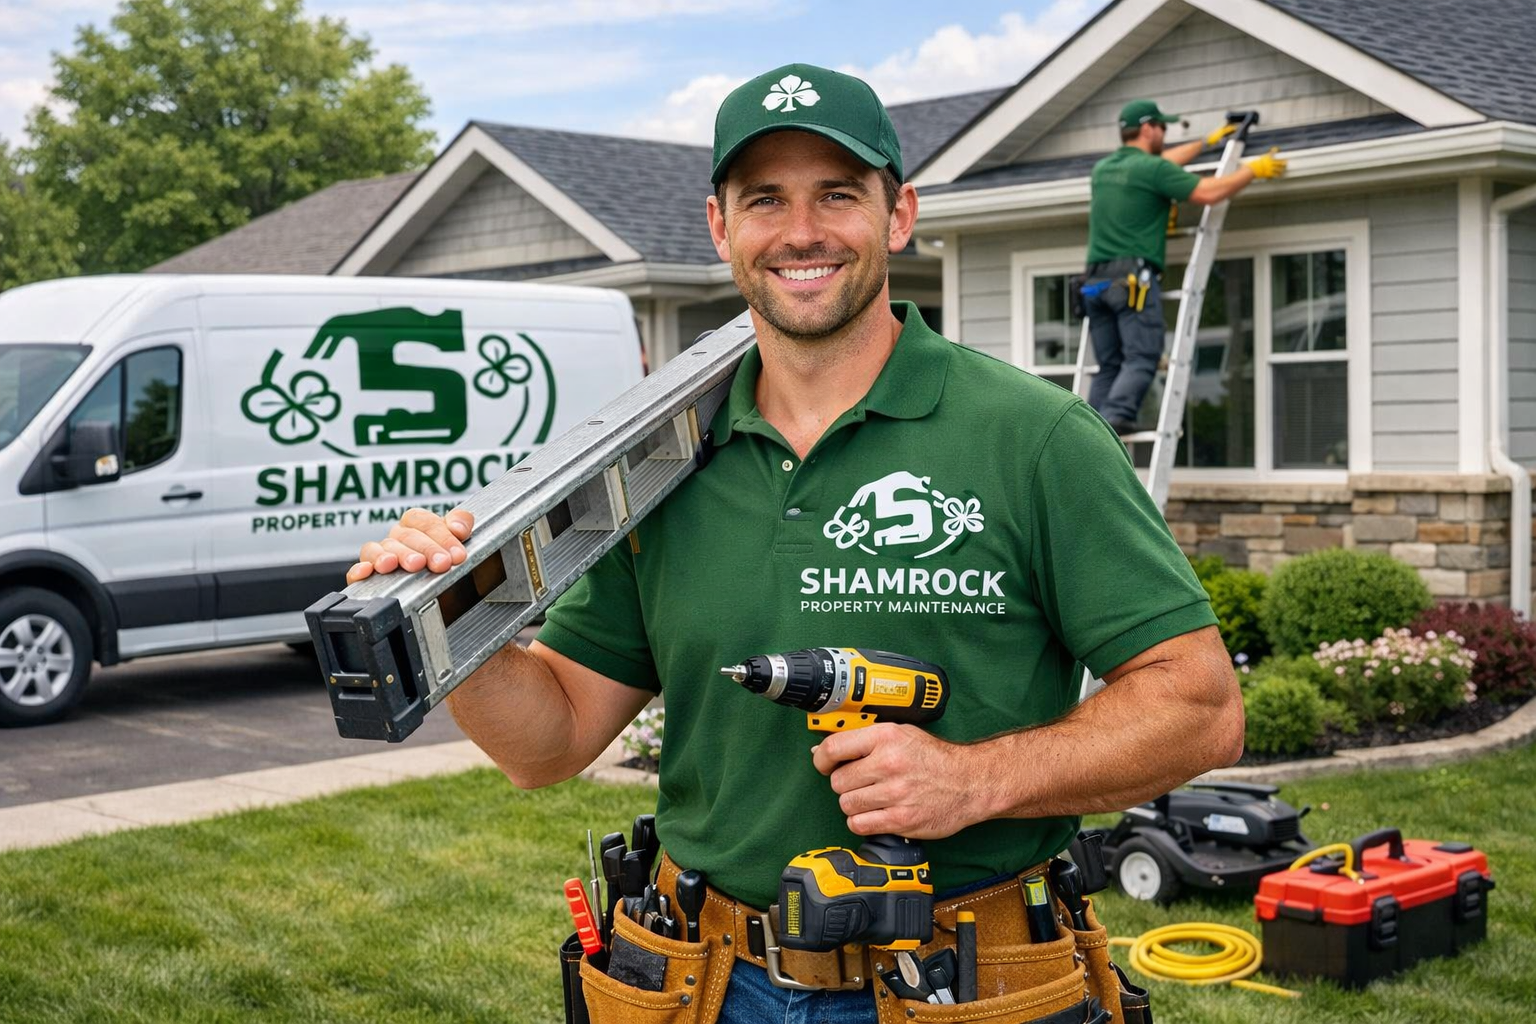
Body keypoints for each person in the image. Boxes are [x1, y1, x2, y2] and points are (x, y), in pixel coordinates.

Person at [347, 65, 1243, 1024]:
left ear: (899, 216)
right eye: (765, 199)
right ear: (719, 226)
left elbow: (1200, 706)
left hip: (963, 981)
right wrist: (453, 621)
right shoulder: (659, 466)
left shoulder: (1033, 438)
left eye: (838, 195)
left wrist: (973, 779)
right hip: (704, 979)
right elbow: (550, 742)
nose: (801, 231)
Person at [1084, 99, 1287, 435]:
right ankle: (1115, 420)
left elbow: (1161, 164)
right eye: (1162, 127)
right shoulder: (1151, 170)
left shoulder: (1104, 170)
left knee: (1110, 365)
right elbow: (1208, 192)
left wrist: (1206, 143)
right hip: (1131, 280)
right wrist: (1253, 169)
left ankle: (1089, 431)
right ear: (1148, 128)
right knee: (1143, 357)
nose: (1165, 133)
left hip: (1094, 283)